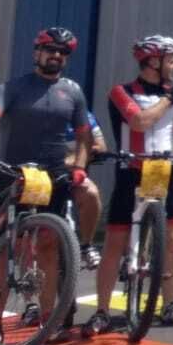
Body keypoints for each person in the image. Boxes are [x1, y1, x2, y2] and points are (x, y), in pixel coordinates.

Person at [0, 26, 93, 343]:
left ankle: (48, 320)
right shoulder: (14, 87)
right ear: (37, 52)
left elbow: (83, 135)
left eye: (63, 52)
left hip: (53, 178)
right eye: (51, 49)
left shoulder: (73, 91)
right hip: (14, 174)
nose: (57, 56)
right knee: (8, 249)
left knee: (49, 245)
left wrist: (79, 166)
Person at [86, 35, 173, 334]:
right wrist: (169, 99)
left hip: (164, 170)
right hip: (131, 170)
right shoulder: (121, 92)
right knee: (114, 244)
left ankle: (169, 304)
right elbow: (140, 122)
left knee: (171, 238)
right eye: (172, 59)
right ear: (154, 62)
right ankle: (102, 311)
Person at [64, 106, 106, 269]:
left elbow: (100, 146)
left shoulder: (84, 116)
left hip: (71, 174)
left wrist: (73, 159)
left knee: (91, 194)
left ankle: (86, 245)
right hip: (41, 172)